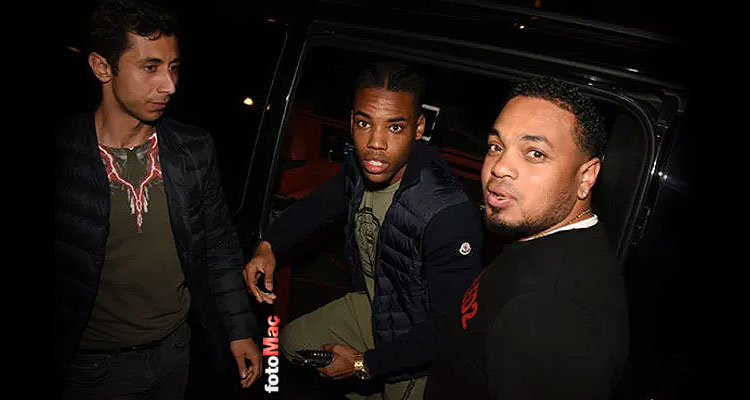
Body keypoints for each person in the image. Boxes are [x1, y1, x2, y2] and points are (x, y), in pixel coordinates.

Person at [53, 0, 262, 398]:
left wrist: (239, 331)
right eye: (150, 67)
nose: (170, 85)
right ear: (102, 68)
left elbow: (218, 247)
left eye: (174, 68)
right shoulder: (65, 157)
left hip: (176, 353)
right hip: (92, 369)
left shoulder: (193, 149)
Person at [243, 61, 483, 399]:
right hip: (377, 305)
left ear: (418, 128)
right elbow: (317, 207)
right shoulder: (360, 168)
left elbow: (448, 328)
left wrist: (361, 364)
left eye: (395, 127)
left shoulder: (449, 215)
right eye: (364, 123)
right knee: (292, 342)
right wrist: (269, 246)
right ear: (351, 120)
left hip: (420, 342)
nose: (375, 143)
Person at [424, 77, 629, 399]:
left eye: (535, 153)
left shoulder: (547, 316)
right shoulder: (546, 238)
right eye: (496, 147)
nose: (500, 167)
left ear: (586, 176)